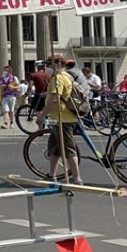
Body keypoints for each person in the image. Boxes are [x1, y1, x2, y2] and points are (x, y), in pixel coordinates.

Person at [44, 55, 83, 184]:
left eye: (50, 65)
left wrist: (42, 115)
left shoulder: (59, 78)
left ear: (57, 65)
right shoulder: (67, 76)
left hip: (64, 118)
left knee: (68, 149)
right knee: (54, 147)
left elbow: (55, 99)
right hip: (58, 118)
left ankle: (77, 178)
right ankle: (51, 174)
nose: (48, 68)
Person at [28, 62, 50, 130]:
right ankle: (47, 121)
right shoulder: (48, 75)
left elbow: (30, 86)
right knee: (45, 110)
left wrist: (27, 93)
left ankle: (41, 129)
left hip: (39, 95)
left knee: (38, 111)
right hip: (47, 94)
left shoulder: (34, 75)